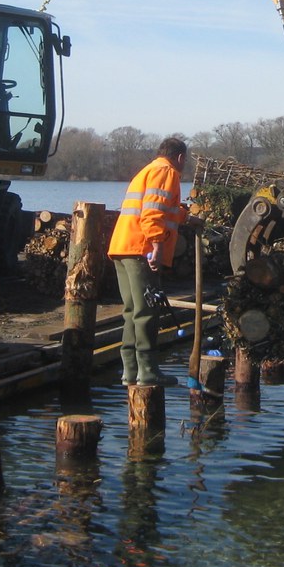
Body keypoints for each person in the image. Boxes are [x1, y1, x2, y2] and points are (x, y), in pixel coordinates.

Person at [107, 137, 191, 386]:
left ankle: (129, 372)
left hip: (123, 247)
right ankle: (148, 372)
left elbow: (164, 209)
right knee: (146, 312)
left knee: (132, 311)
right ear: (180, 157)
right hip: (142, 250)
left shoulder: (147, 170)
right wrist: (156, 246)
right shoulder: (167, 172)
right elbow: (152, 212)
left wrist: (188, 218)